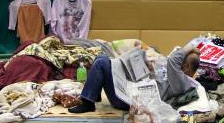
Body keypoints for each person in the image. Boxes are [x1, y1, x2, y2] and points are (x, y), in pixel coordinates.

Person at [68, 43, 201, 113]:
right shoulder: (179, 79)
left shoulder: (183, 82)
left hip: (127, 100)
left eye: (182, 61)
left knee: (101, 63)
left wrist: (190, 47)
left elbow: (173, 60)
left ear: (187, 66)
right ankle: (94, 94)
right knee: (102, 57)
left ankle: (88, 103)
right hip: (134, 87)